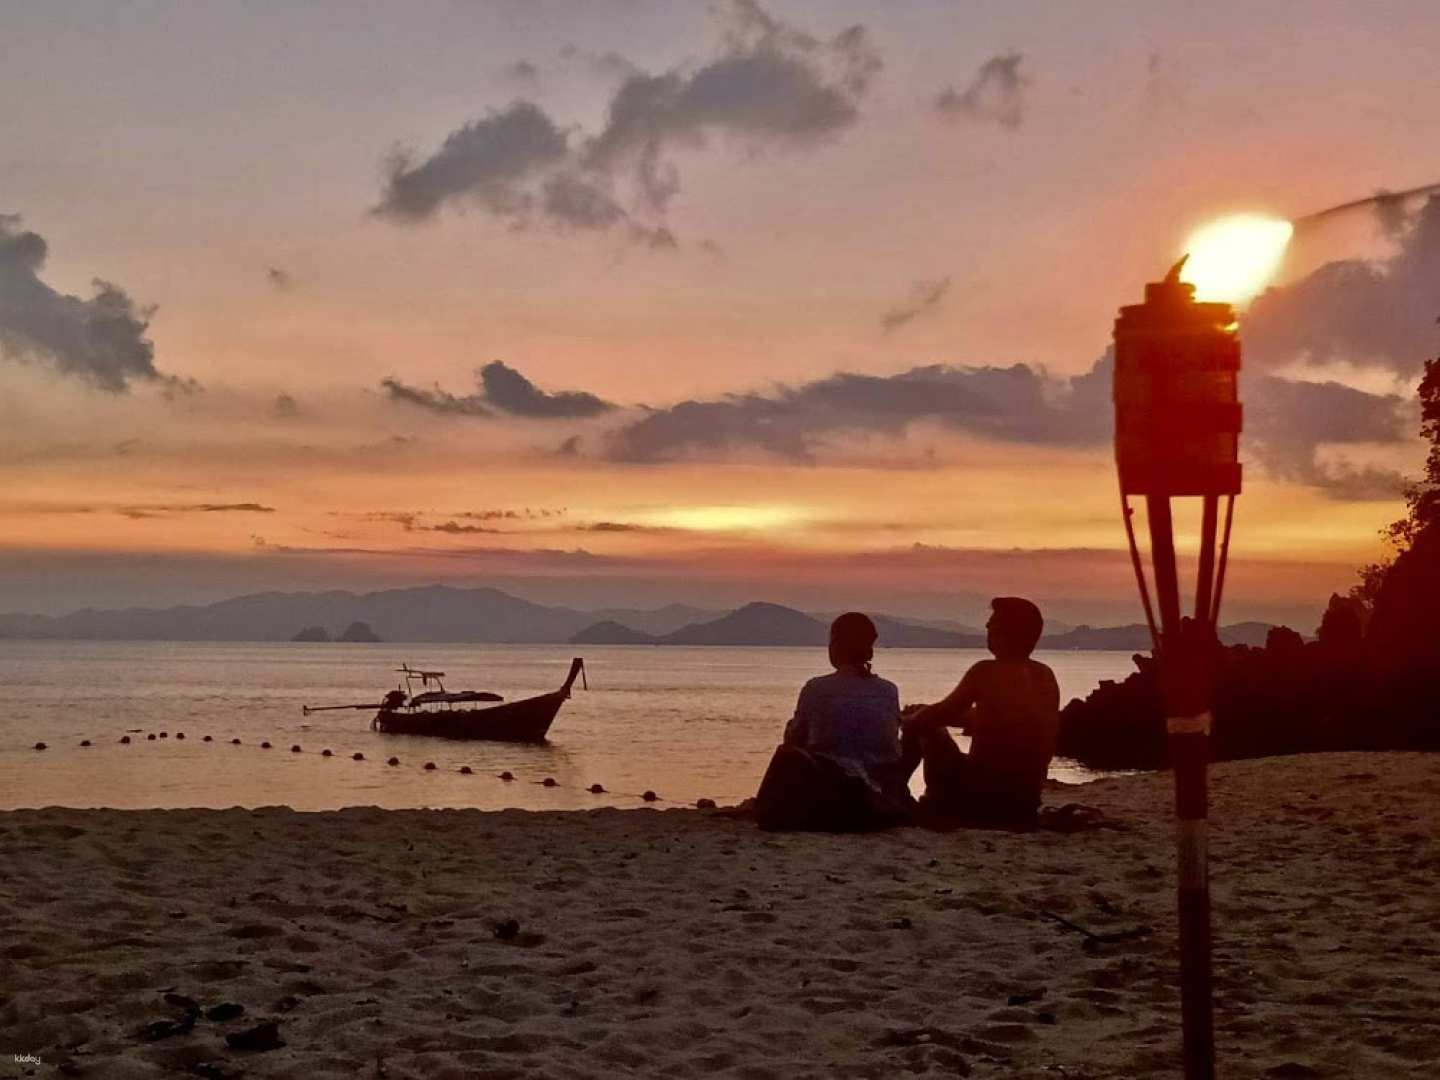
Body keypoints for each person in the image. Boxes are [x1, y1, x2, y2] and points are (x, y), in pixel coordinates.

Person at [901, 597, 1060, 827]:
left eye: (992, 623)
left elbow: (934, 717)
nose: (986, 627)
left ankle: (900, 793)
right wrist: (927, 711)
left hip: (980, 799)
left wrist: (908, 718)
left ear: (1007, 632)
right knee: (923, 718)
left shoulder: (985, 671)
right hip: (1024, 802)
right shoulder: (1045, 675)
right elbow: (1000, 720)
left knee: (924, 727)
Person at [754, 612, 911, 831]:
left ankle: (760, 806)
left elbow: (796, 739)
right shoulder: (888, 690)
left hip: (835, 793)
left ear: (836, 646)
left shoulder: (816, 689)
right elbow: (892, 744)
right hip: (882, 792)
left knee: (786, 753)